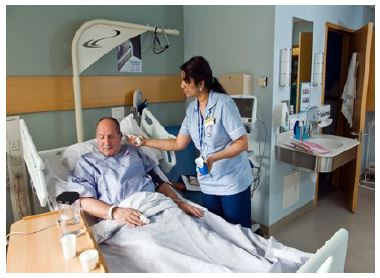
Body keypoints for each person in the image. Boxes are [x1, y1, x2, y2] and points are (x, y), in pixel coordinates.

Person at [129, 56, 253, 228]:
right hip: (208, 181)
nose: (182, 85)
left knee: (239, 233)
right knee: (217, 230)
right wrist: (145, 142)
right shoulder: (192, 110)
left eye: (186, 81)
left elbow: (242, 143)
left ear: (201, 84)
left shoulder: (224, 105)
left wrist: (213, 158)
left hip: (231, 181)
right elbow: (178, 144)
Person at [66, 117, 203, 227]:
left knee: (191, 229)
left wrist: (178, 202)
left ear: (120, 136)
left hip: (155, 205)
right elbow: (83, 201)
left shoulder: (133, 152)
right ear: (97, 138)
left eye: (111, 136)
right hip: (123, 216)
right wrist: (115, 212)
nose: (106, 142)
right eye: (101, 137)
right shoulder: (87, 163)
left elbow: (158, 182)